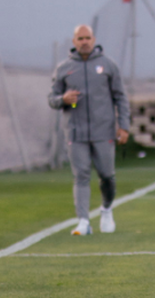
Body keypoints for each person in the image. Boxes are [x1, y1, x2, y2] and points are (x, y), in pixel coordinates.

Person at [48, 24, 130, 235]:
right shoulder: (63, 68)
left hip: (104, 131)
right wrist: (63, 99)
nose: (84, 42)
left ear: (93, 40)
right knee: (81, 175)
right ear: (74, 42)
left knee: (107, 175)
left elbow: (120, 97)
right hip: (75, 132)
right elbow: (52, 99)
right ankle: (83, 221)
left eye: (87, 38)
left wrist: (124, 126)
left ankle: (106, 209)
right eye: (80, 38)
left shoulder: (108, 65)